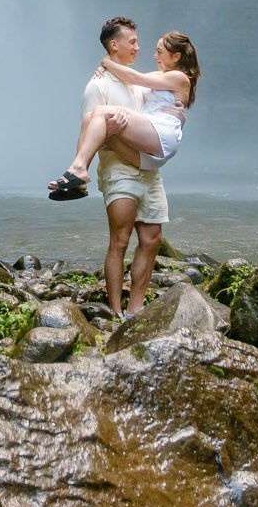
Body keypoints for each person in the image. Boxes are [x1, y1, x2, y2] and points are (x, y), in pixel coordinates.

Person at [47, 21, 202, 315]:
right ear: (114, 45)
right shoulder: (98, 84)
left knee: (152, 238)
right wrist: (111, 133)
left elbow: (158, 97)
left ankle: (135, 309)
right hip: (119, 169)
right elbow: (89, 130)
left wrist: (178, 112)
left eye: (142, 43)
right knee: (119, 240)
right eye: (132, 41)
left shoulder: (141, 81)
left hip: (149, 168)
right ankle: (115, 311)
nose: (139, 47)